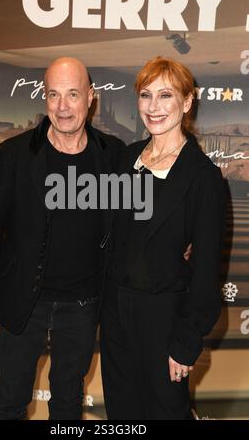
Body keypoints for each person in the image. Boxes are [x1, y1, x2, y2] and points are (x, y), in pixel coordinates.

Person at [0, 57, 124, 420]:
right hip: (23, 299)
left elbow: (132, 219)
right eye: (54, 95)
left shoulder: (113, 155)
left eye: (72, 94)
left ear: (91, 97)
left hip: (83, 304)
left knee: (68, 400)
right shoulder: (15, 154)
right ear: (45, 99)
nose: (63, 106)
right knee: (10, 397)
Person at [100, 56, 226, 420]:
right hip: (115, 314)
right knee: (122, 414)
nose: (153, 107)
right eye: (146, 95)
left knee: (165, 412)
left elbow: (205, 274)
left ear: (186, 103)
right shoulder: (125, 160)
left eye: (166, 95)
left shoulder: (202, 177)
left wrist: (186, 343)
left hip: (163, 318)